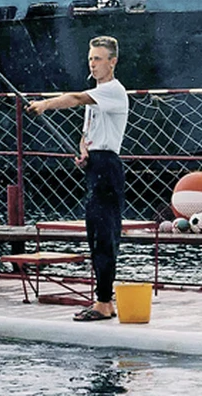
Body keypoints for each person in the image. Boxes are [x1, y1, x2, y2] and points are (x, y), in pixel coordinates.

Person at [28, 35, 129, 322]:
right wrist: (84, 150)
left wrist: (45, 104)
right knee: (95, 233)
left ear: (113, 61)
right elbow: (91, 133)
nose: (93, 64)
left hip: (108, 168)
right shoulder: (98, 96)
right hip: (96, 165)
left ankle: (104, 301)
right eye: (90, 59)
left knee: (105, 234)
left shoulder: (113, 91)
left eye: (98, 58)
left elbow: (74, 98)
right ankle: (103, 299)